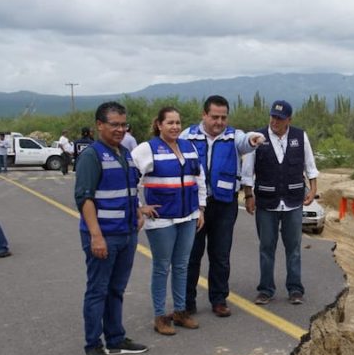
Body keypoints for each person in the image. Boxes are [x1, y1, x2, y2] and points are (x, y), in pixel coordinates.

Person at [75, 101, 147, 355]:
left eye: (123, 125)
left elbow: (129, 190)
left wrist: (138, 211)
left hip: (127, 234)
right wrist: (96, 236)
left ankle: (115, 339)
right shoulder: (92, 156)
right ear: (99, 125)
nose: (119, 129)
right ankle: (93, 345)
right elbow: (84, 198)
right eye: (114, 124)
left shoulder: (124, 153)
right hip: (104, 236)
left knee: (116, 289)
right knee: (98, 291)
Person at [181, 95, 264, 317]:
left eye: (223, 117)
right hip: (194, 206)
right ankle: (187, 303)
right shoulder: (187, 136)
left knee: (220, 255)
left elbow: (246, 141)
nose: (219, 122)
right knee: (191, 256)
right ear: (204, 115)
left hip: (224, 204)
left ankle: (219, 299)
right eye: (214, 117)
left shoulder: (233, 136)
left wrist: (254, 139)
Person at [132, 107, 206, 335]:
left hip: (188, 216)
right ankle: (160, 316)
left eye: (178, 122)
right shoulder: (146, 149)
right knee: (162, 267)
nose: (175, 127)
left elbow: (199, 178)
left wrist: (201, 208)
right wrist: (139, 208)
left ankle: (181, 311)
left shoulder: (188, 147)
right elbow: (129, 179)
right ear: (159, 125)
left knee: (182, 266)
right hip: (161, 220)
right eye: (170, 122)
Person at [243, 100, 318, 306]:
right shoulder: (257, 138)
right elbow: (248, 172)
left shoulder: (300, 136)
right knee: (267, 247)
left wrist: (313, 189)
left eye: (280, 118)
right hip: (267, 202)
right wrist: (249, 196)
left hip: (293, 201)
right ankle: (266, 289)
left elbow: (309, 166)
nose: (275, 121)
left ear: (289, 120)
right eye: (272, 117)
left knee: (293, 247)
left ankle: (295, 288)